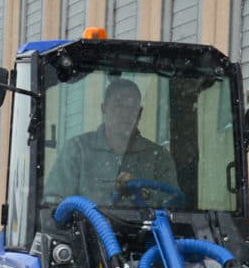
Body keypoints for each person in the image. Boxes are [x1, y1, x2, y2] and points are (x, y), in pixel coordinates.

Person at [45, 78, 179, 206]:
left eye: (131, 106)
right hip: (85, 230)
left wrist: (142, 193)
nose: (125, 112)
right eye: (118, 105)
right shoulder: (77, 150)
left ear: (140, 113)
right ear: (103, 109)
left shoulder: (159, 157)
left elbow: (174, 206)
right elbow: (54, 204)